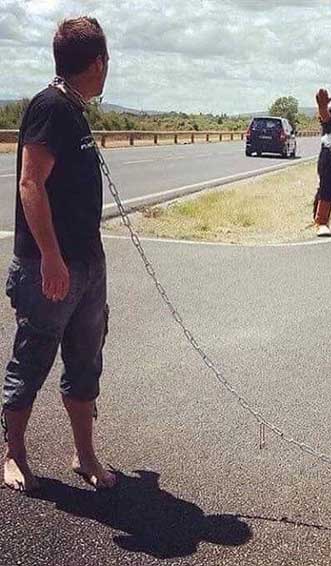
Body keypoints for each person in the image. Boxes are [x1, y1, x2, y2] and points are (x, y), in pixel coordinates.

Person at [2, 17, 116, 491]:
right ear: (98, 62)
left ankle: (84, 455)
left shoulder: (73, 108)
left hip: (87, 263)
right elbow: (31, 183)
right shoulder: (50, 107)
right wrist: (50, 256)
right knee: (31, 360)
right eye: (107, 60)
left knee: (85, 363)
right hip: (48, 266)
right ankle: (13, 455)